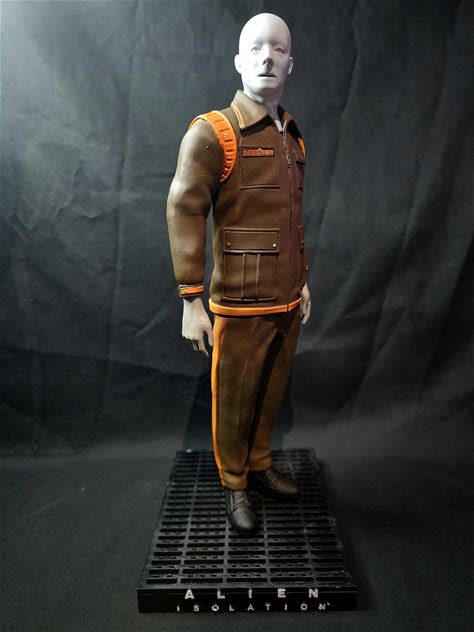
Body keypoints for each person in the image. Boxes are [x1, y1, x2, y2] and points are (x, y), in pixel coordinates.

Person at [167, 13, 311, 535]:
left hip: (286, 300)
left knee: (270, 393)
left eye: (278, 49)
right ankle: (234, 483)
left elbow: (290, 218)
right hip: (239, 302)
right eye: (255, 47)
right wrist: (191, 298)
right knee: (233, 398)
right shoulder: (215, 133)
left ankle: (259, 464)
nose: (267, 57)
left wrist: (302, 280)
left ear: (290, 64)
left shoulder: (291, 135)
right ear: (238, 60)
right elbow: (185, 208)